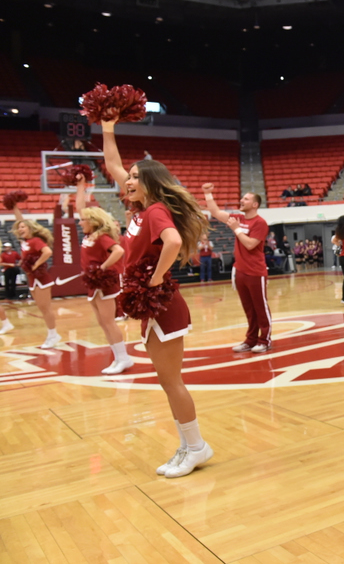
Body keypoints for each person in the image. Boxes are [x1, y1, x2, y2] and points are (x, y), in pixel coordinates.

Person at [101, 115, 213, 478]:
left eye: (135, 176)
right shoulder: (138, 210)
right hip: (155, 307)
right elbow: (113, 165)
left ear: (149, 182)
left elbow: (175, 242)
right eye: (129, 177)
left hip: (163, 306)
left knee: (171, 381)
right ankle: (187, 444)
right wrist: (107, 127)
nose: (128, 180)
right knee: (167, 381)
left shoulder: (154, 210)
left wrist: (156, 279)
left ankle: (196, 447)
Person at [73, 176, 132, 374]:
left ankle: (123, 358)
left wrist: (102, 268)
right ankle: (118, 357)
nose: (80, 222)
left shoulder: (102, 236)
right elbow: (80, 207)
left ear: (93, 221)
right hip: (93, 284)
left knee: (108, 321)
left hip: (104, 283)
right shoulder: (90, 235)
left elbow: (119, 251)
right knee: (102, 322)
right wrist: (80, 187)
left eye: (83, 220)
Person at [203, 185, 272, 353]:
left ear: (255, 204)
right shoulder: (238, 218)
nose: (241, 200)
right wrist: (208, 193)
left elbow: (250, 245)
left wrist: (236, 229)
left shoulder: (260, 223)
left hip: (255, 271)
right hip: (240, 270)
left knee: (260, 308)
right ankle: (251, 340)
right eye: (242, 198)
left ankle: (265, 340)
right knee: (249, 309)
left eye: (246, 199)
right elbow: (216, 213)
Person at [10, 203, 59, 347]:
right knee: (42, 308)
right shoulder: (25, 241)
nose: (20, 229)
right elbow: (20, 221)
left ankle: (53, 335)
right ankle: (52, 334)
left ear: (30, 228)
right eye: (19, 228)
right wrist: (15, 209)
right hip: (32, 279)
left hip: (41, 278)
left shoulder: (35, 241)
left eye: (23, 227)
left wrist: (36, 264)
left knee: (46, 308)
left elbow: (47, 252)